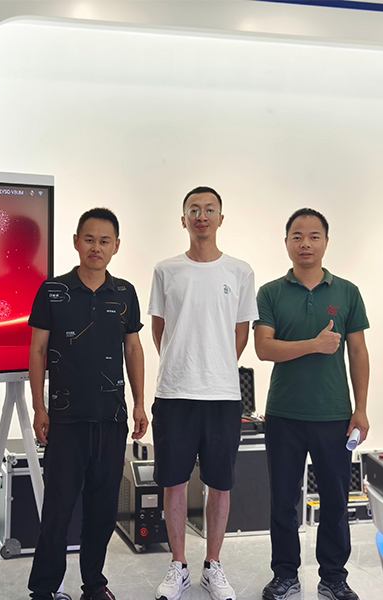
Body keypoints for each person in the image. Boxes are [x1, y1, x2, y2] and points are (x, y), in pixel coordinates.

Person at [27, 207, 148, 600]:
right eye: (90, 239)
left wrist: (140, 403)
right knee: (58, 510)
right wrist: (39, 407)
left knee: (103, 509)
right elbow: (38, 350)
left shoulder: (125, 293)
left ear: (116, 246)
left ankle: (94, 584)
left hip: (111, 419)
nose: (97, 247)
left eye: (105, 241)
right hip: (65, 421)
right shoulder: (53, 291)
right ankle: (44, 589)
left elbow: (133, 349)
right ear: (77, 242)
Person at [254, 208, 370, 600]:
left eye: (314, 236)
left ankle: (334, 578)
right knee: (283, 501)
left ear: (326, 242)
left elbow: (358, 352)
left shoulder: (347, 292)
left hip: (334, 415)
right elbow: (264, 348)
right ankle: (285, 575)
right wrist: (314, 345)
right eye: (298, 236)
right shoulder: (270, 292)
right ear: (287, 242)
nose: (306, 243)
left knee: (336, 502)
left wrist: (361, 409)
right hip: (283, 414)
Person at [149, 186, 258, 600]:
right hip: (174, 392)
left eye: (210, 209)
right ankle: (178, 565)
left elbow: (241, 333)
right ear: (183, 220)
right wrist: (183, 362)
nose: (202, 216)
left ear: (220, 219)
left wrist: (215, 364)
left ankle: (213, 565)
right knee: (174, 482)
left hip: (222, 395)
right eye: (194, 210)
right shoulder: (166, 270)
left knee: (220, 484)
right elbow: (160, 329)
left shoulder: (240, 272)